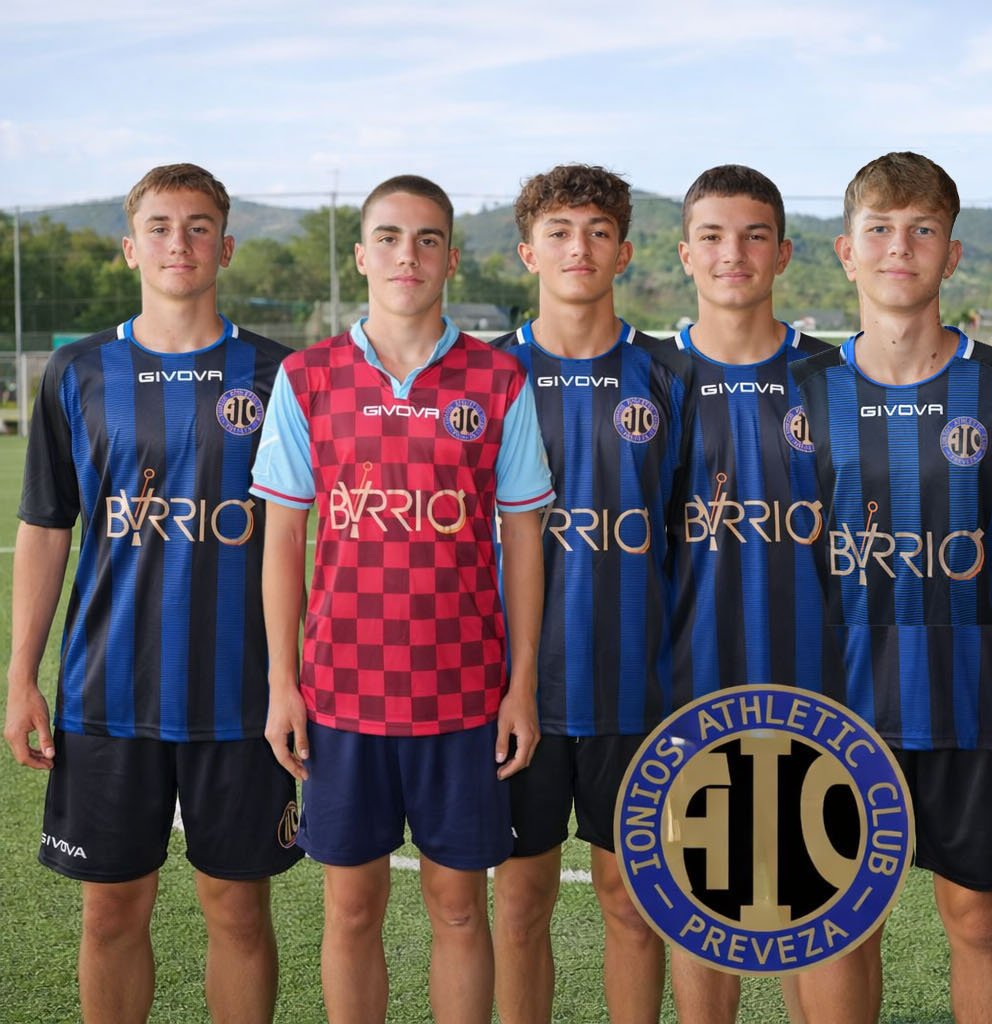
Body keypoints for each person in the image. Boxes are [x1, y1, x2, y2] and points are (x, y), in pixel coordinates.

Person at [253, 174, 553, 1024]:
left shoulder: (497, 379)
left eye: (427, 240)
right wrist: (283, 684)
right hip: (342, 695)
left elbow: (524, 542)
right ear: (361, 255)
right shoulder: (307, 377)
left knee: (458, 909)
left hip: (464, 696)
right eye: (388, 237)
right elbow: (284, 542)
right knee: (352, 910)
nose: (407, 255)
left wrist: (521, 686)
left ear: (451, 259)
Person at [4, 163, 300, 1023]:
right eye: (161, 227)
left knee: (237, 911)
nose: (181, 242)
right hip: (107, 694)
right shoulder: (76, 371)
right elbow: (46, 527)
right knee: (110, 915)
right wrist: (21, 675)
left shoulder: (280, 374)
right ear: (131, 248)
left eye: (200, 226)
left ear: (226, 247)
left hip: (240, 697)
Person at [789, 151, 992, 1024]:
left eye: (922, 230)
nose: (899, 248)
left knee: (979, 922)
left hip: (976, 705)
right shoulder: (801, 390)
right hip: (837, 709)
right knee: (841, 926)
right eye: (879, 229)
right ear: (847, 252)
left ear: (952, 254)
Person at [487, 164, 690, 1024]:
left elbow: (693, 536)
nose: (581, 248)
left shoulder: (670, 373)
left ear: (624, 252)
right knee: (520, 902)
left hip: (637, 690)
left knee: (633, 904)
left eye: (599, 232)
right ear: (528, 251)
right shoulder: (485, 376)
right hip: (512, 693)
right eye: (561, 232)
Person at [636, 163, 838, 1024]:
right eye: (713, 237)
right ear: (685, 253)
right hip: (688, 693)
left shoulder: (836, 376)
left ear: (783, 253)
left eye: (755, 236)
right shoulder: (643, 377)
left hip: (819, 692)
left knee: (820, 913)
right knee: (701, 908)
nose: (734, 254)